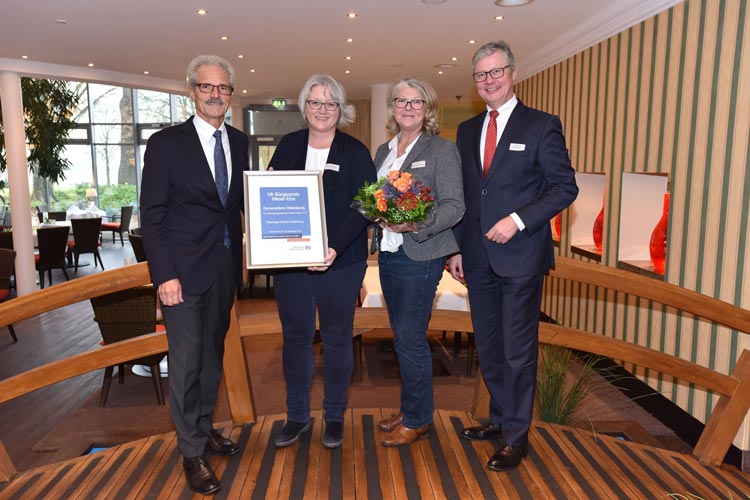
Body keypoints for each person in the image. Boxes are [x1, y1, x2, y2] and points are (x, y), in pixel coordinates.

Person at [448, 40, 578, 471]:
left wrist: (518, 221)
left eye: (495, 72)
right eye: (480, 75)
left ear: (513, 72)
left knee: (518, 350)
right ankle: (500, 420)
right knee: (488, 345)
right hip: (478, 259)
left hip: (521, 257)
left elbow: (564, 187)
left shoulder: (541, 125)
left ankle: (517, 437)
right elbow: (469, 196)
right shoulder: (467, 131)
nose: (488, 81)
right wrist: (459, 249)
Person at [140, 55, 248, 495]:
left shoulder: (239, 141)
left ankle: (203, 430)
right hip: (181, 274)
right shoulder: (166, 143)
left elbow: (239, 203)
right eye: (207, 87)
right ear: (192, 91)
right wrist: (164, 274)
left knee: (211, 358)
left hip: (224, 267)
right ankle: (190, 453)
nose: (216, 95)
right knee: (184, 364)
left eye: (223, 88)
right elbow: (152, 214)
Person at [268, 74, 376, 449]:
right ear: (305, 107)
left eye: (330, 104)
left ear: (340, 109)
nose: (322, 110)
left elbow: (366, 204)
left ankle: (334, 417)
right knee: (295, 339)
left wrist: (333, 248)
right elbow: (272, 195)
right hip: (292, 265)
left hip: (341, 262)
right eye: (315, 102)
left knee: (336, 339)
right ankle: (296, 416)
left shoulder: (355, 151)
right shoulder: (288, 145)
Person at [373, 77, 464, 447]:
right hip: (390, 254)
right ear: (393, 107)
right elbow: (376, 198)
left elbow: (455, 206)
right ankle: (411, 407)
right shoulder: (384, 150)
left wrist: (415, 223)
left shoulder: (441, 149)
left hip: (421, 254)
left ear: (428, 109)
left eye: (416, 102)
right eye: (401, 101)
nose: (408, 107)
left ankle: (419, 419)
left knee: (410, 339)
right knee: (401, 338)